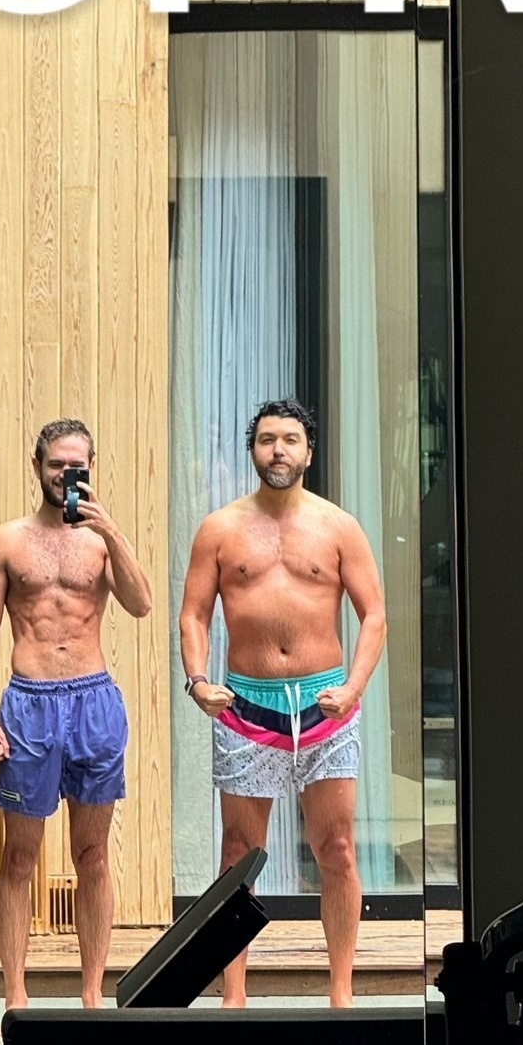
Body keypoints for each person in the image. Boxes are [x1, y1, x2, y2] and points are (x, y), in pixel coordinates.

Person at [178, 398, 387, 1008]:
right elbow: (193, 614)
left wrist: (353, 688)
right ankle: (234, 994)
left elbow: (374, 615)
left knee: (337, 849)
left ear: (308, 452)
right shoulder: (220, 529)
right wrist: (198, 681)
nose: (278, 450)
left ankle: (342, 993)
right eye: (267, 439)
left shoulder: (339, 526)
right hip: (247, 706)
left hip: (326, 707)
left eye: (290, 440)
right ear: (253, 450)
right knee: (238, 854)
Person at [0, 418, 152, 1009]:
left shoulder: (100, 541)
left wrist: (111, 529)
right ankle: (16, 995)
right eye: (56, 465)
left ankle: (93, 993)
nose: (65, 475)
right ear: (37, 466)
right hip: (29, 705)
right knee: (20, 856)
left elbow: (142, 603)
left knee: (92, 856)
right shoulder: (6, 542)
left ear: (90, 468)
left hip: (94, 701)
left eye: (77, 466)